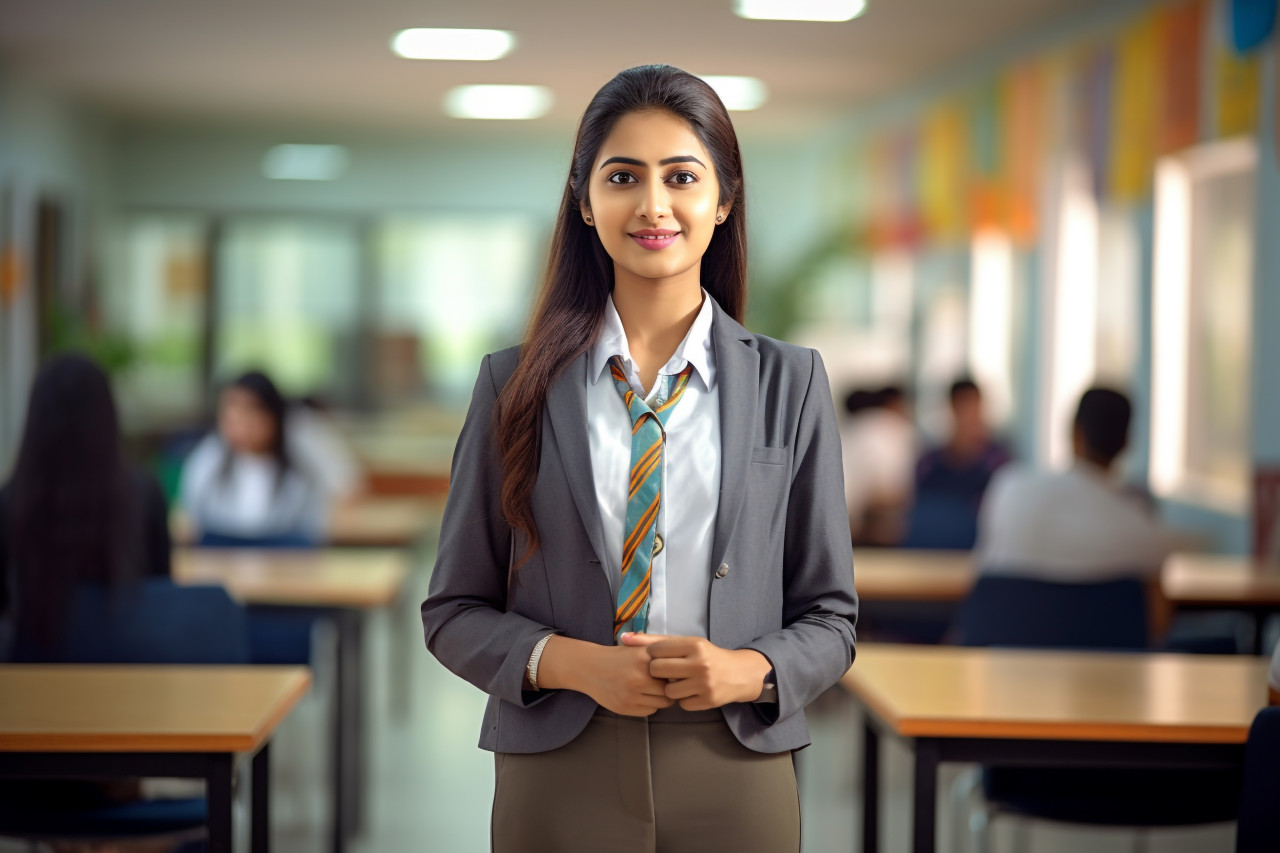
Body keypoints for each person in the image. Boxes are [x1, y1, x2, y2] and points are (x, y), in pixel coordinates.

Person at [421, 65, 858, 853]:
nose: (653, 205)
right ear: (585, 202)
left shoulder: (791, 384)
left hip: (737, 760)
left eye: (681, 177)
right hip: (557, 762)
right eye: (623, 176)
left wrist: (750, 668)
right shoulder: (512, 385)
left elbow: (832, 615)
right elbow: (452, 611)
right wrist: (571, 663)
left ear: (722, 201)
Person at [0, 353, 171, 655]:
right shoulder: (144, 492)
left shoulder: (11, 499)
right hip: (129, 662)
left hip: (32, 670)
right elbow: (161, 591)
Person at [975, 387, 1177, 636]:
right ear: (1126, 443)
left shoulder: (1009, 487)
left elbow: (985, 567)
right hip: (1107, 671)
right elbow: (1157, 627)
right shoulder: (1143, 525)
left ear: (1073, 432)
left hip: (1001, 663)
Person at [180, 371, 328, 545]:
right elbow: (191, 521)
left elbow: (312, 532)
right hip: (220, 563)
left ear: (274, 416)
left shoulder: (300, 466)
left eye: (250, 411)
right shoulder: (208, 461)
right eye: (231, 412)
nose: (239, 422)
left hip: (284, 566)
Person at [906, 377, 1012, 548]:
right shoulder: (928, 463)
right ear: (952, 408)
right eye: (963, 407)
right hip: (929, 551)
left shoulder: (998, 462)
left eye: (973, 407)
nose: (969, 416)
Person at [841, 384, 915, 545]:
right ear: (894, 404)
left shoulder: (851, 428)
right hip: (865, 528)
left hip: (833, 522)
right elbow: (888, 493)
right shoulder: (890, 428)